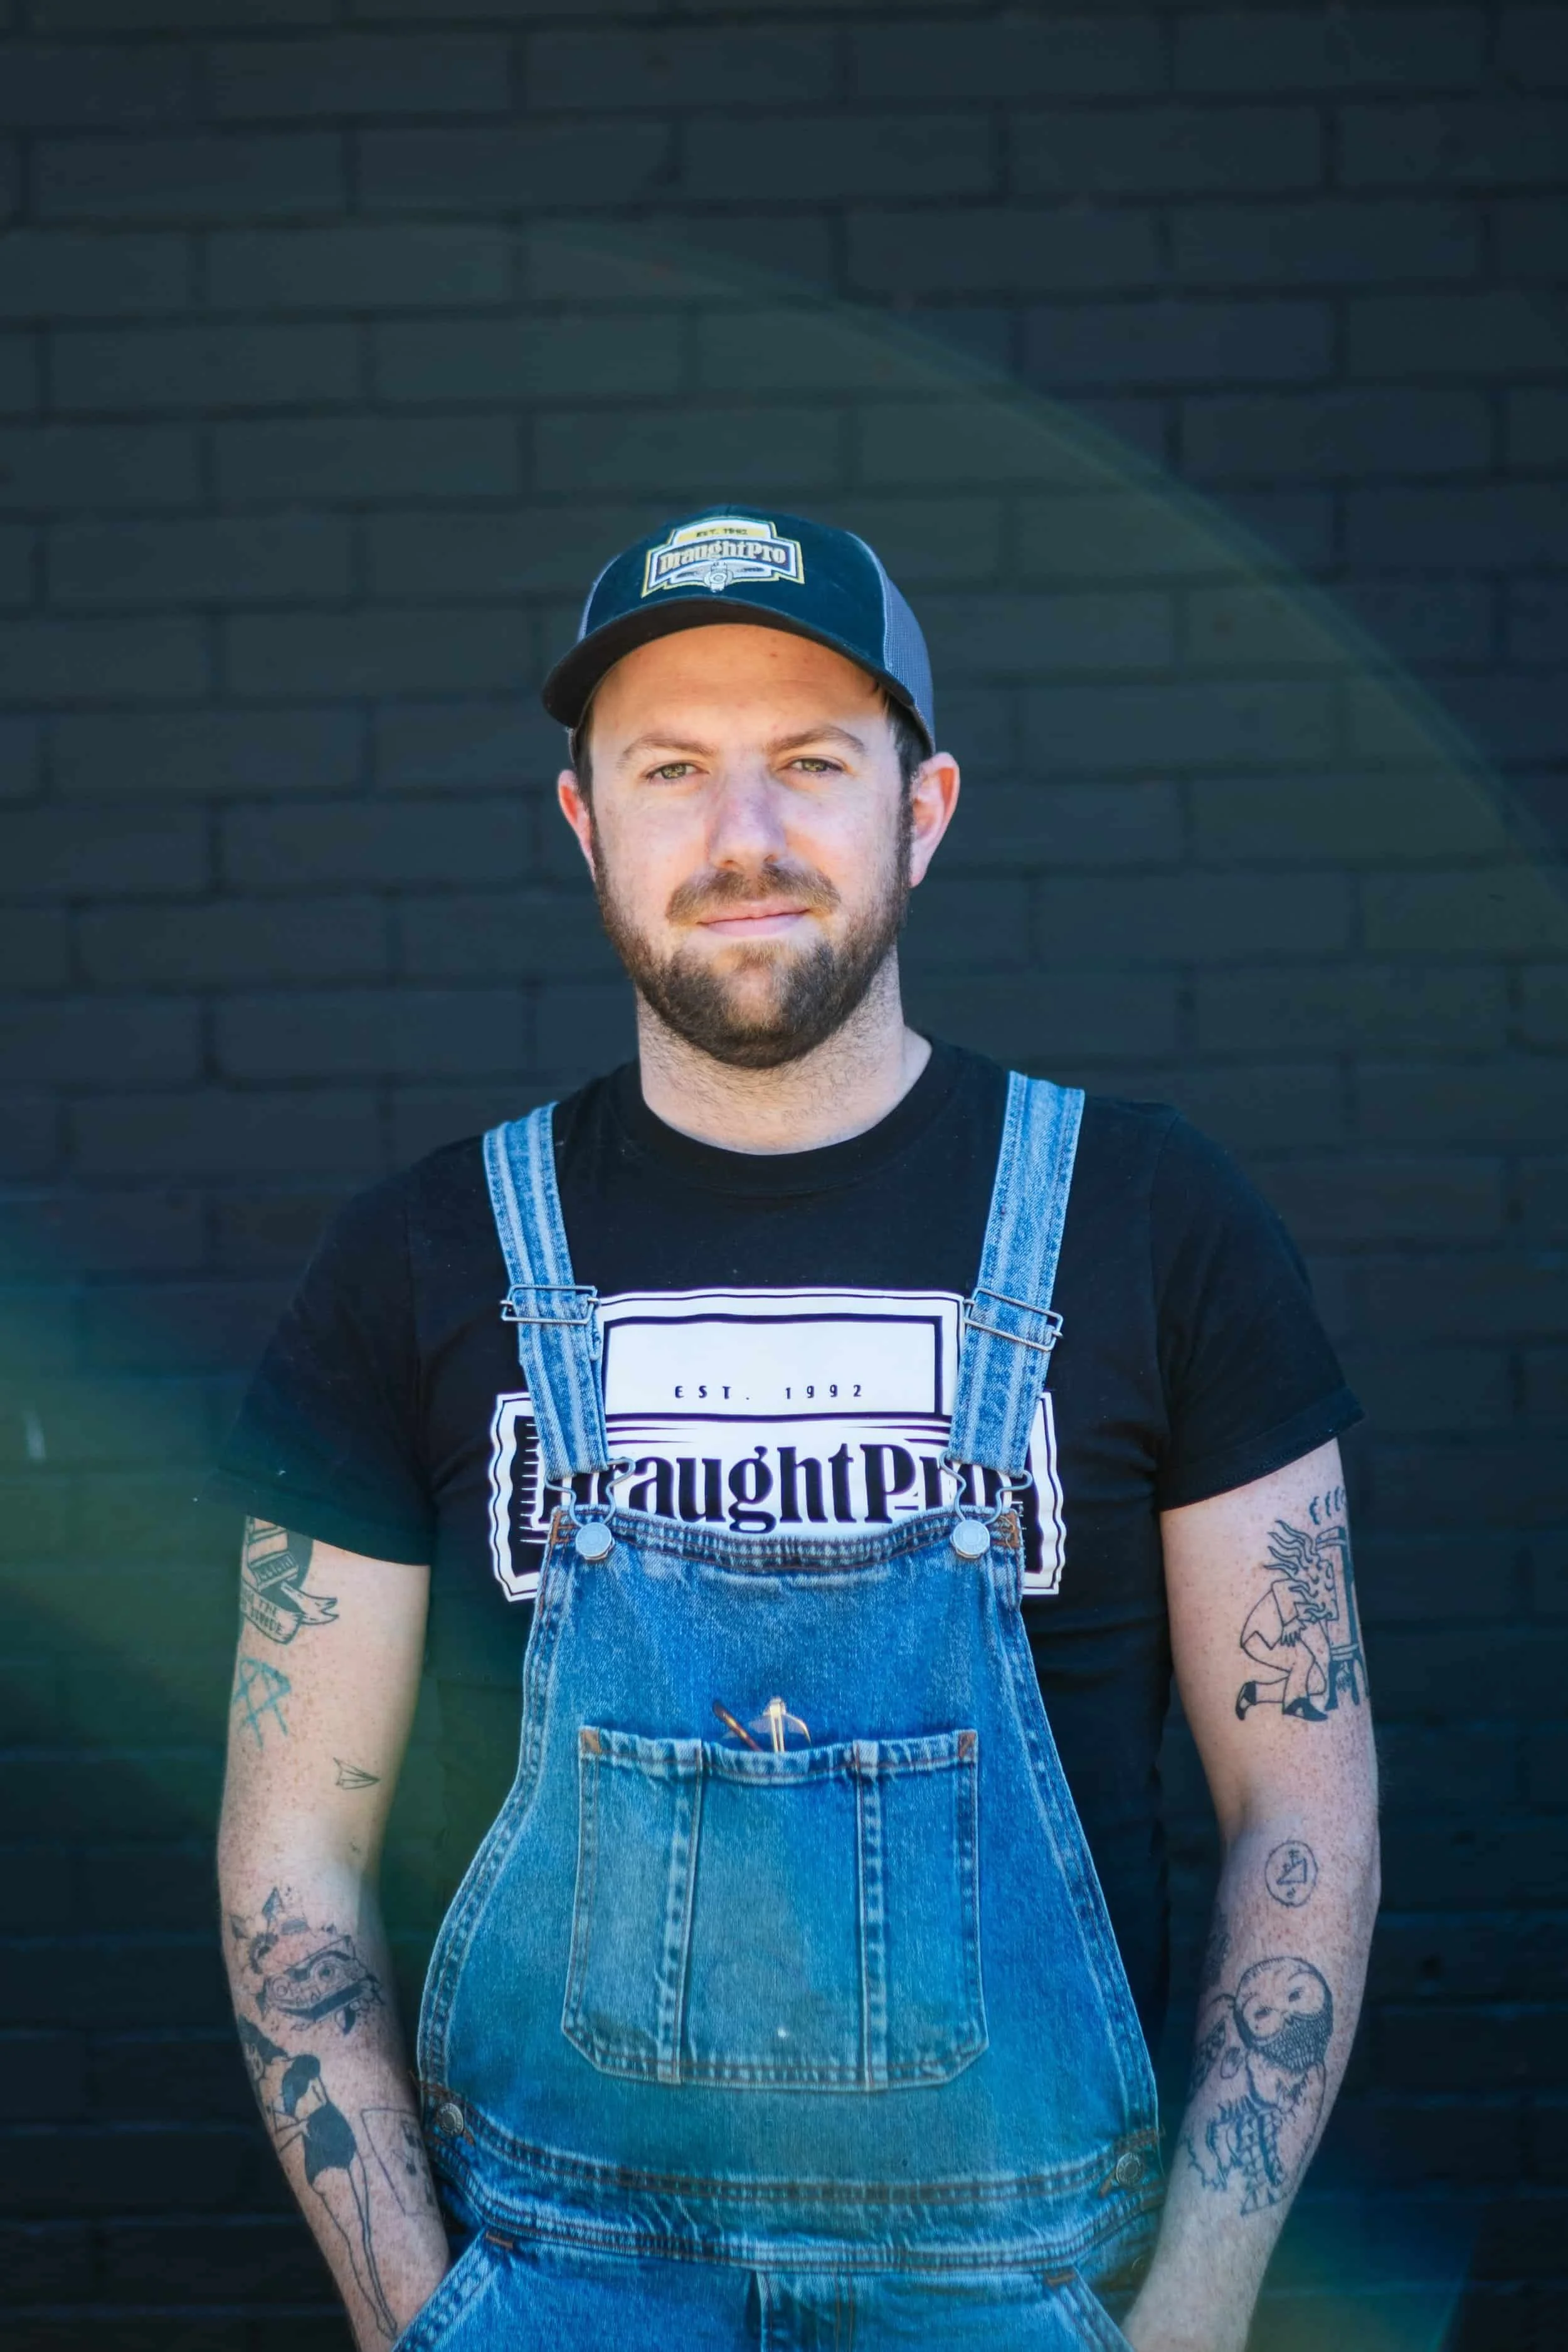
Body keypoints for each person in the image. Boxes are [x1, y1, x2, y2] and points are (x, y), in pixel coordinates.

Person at [213, 507, 1379, 2351]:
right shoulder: (419, 1257)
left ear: (921, 808)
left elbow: (1299, 1799)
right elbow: (292, 1848)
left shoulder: (1151, 1221)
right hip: (556, 2291)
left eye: (810, 765)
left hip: (1029, 2294)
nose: (742, 837)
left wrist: (1198, 2304)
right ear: (584, 821)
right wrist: (410, 2316)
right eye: (671, 769)